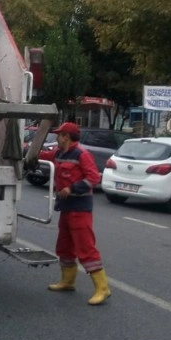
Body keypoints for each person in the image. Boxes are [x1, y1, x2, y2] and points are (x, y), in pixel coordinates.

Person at [38, 122, 111, 305]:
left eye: (60, 135)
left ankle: (102, 288)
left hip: (80, 208)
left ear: (67, 137)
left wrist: (72, 189)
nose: (57, 138)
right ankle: (68, 281)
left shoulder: (81, 154)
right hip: (66, 207)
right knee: (64, 245)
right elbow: (45, 157)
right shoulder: (60, 153)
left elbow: (93, 178)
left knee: (85, 247)